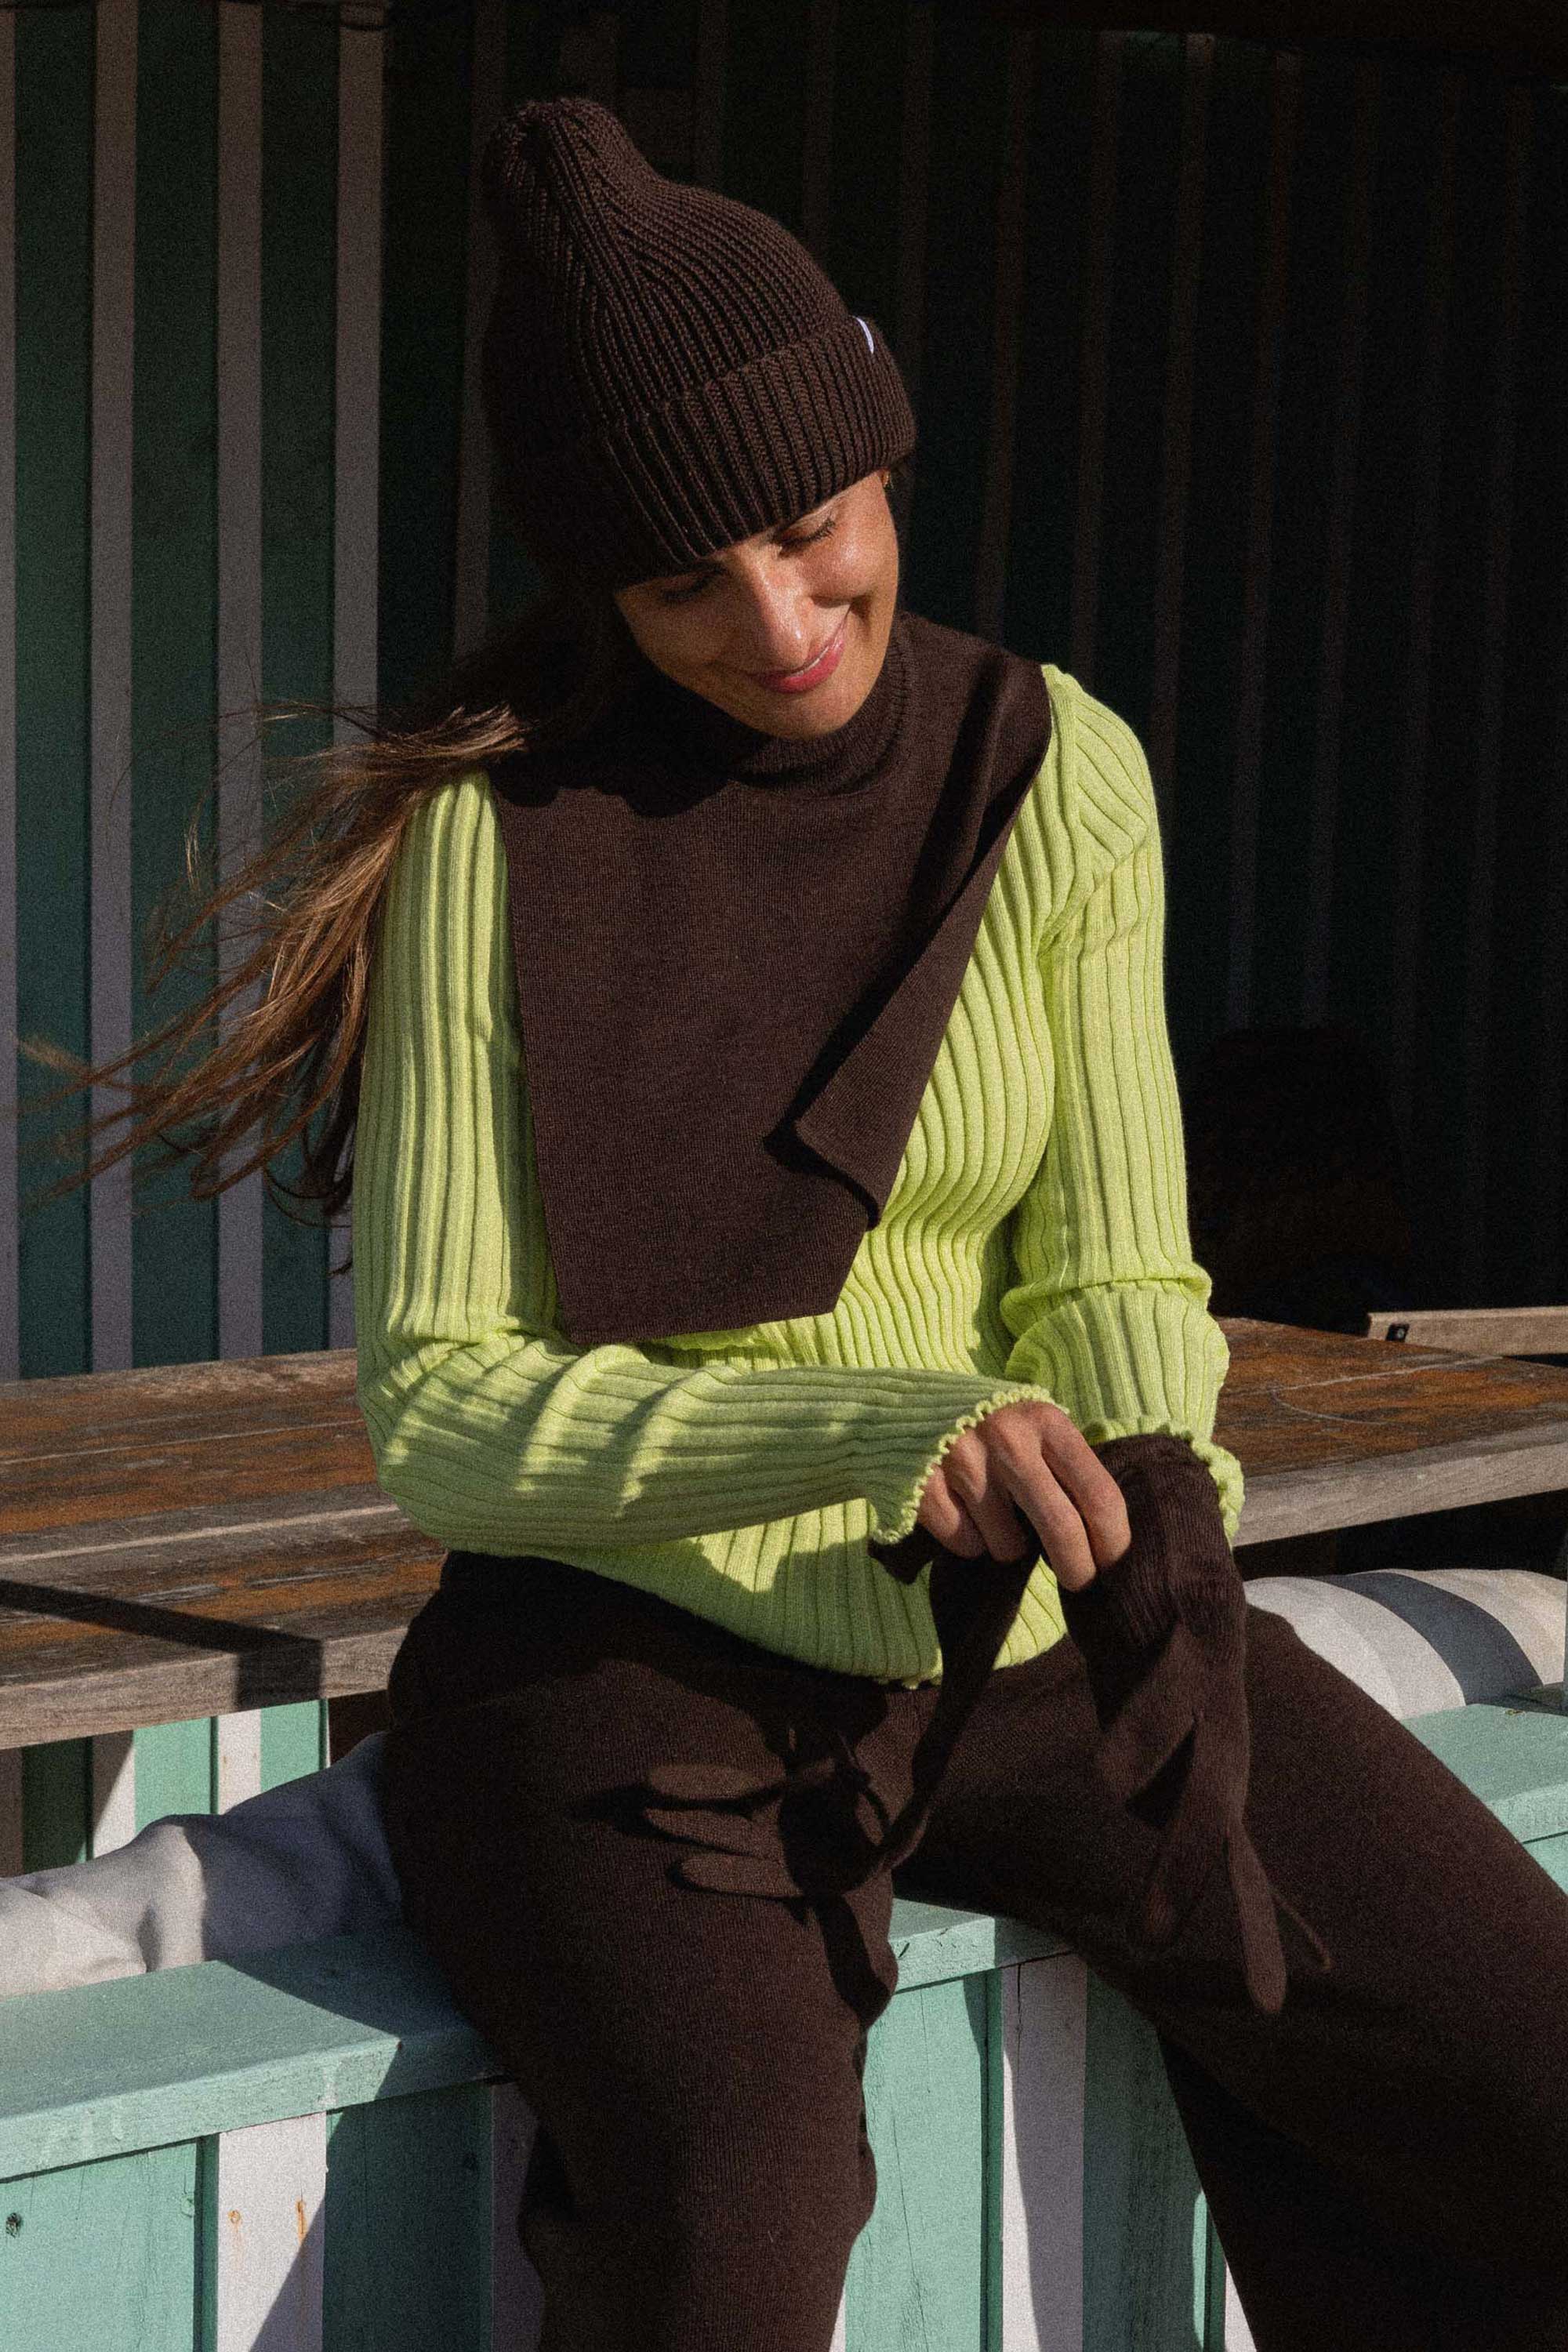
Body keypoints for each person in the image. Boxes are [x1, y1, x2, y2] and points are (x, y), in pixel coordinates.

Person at [22, 93, 1568, 2352]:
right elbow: (447, 1413)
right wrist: (875, 1435)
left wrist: (1163, 1513)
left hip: (1019, 1637)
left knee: (1518, 2063)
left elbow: (1114, 1270)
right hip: (621, 1680)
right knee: (737, 2223)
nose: (775, 624)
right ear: (599, 591)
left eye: (809, 533)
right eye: (679, 588)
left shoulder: (1058, 769)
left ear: (880, 455)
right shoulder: (496, 844)